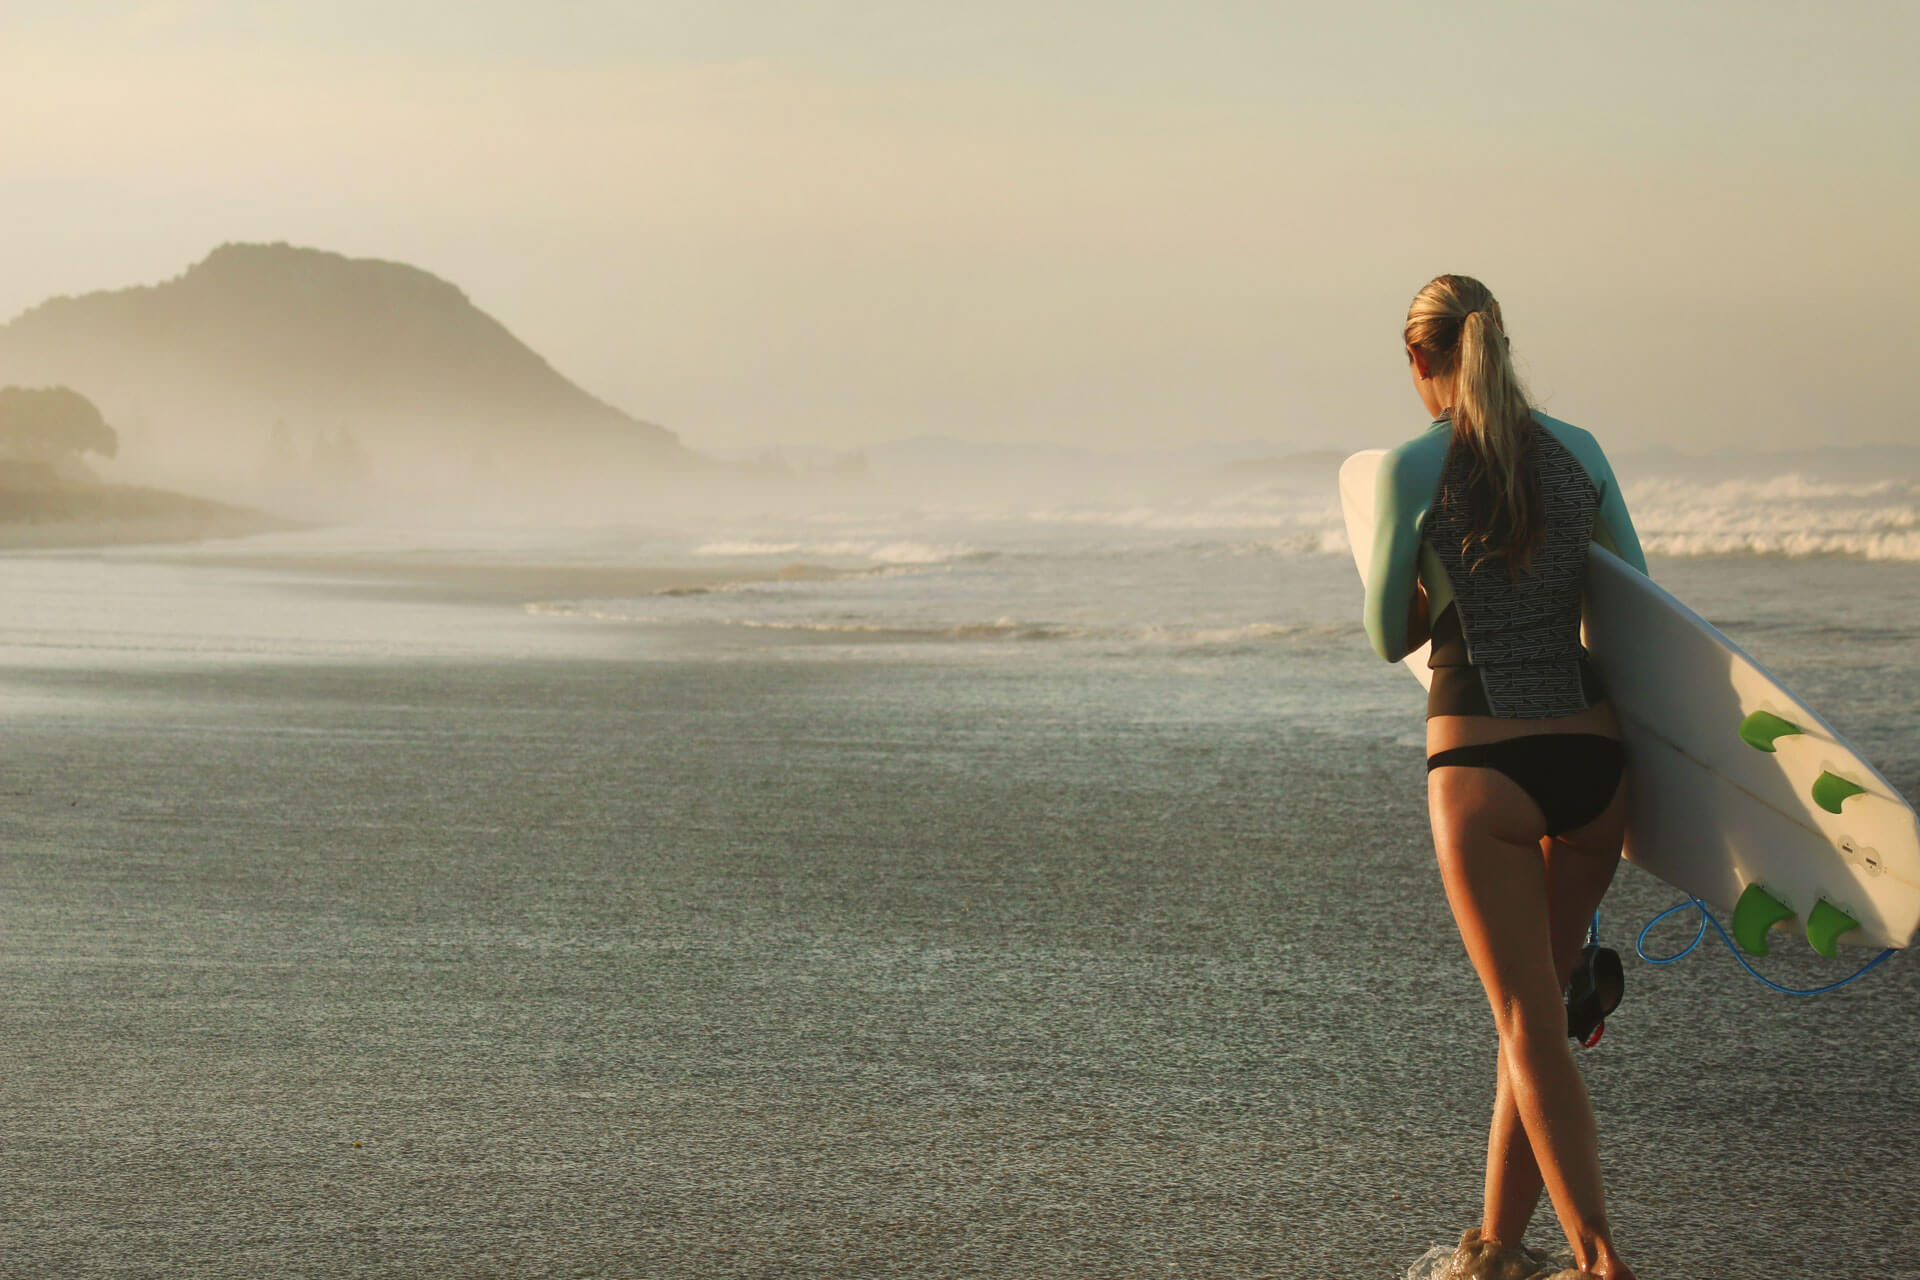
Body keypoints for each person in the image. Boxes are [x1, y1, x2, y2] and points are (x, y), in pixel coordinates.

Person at [1363, 275, 1646, 1280]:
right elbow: (1639, 606)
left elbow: (1382, 631)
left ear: (1417, 360)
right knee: (1532, 1017)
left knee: (1530, 1019)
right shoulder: (1581, 452)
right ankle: (1499, 1245)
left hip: (1481, 764)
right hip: (1593, 768)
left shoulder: (1410, 467)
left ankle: (1599, 1258)